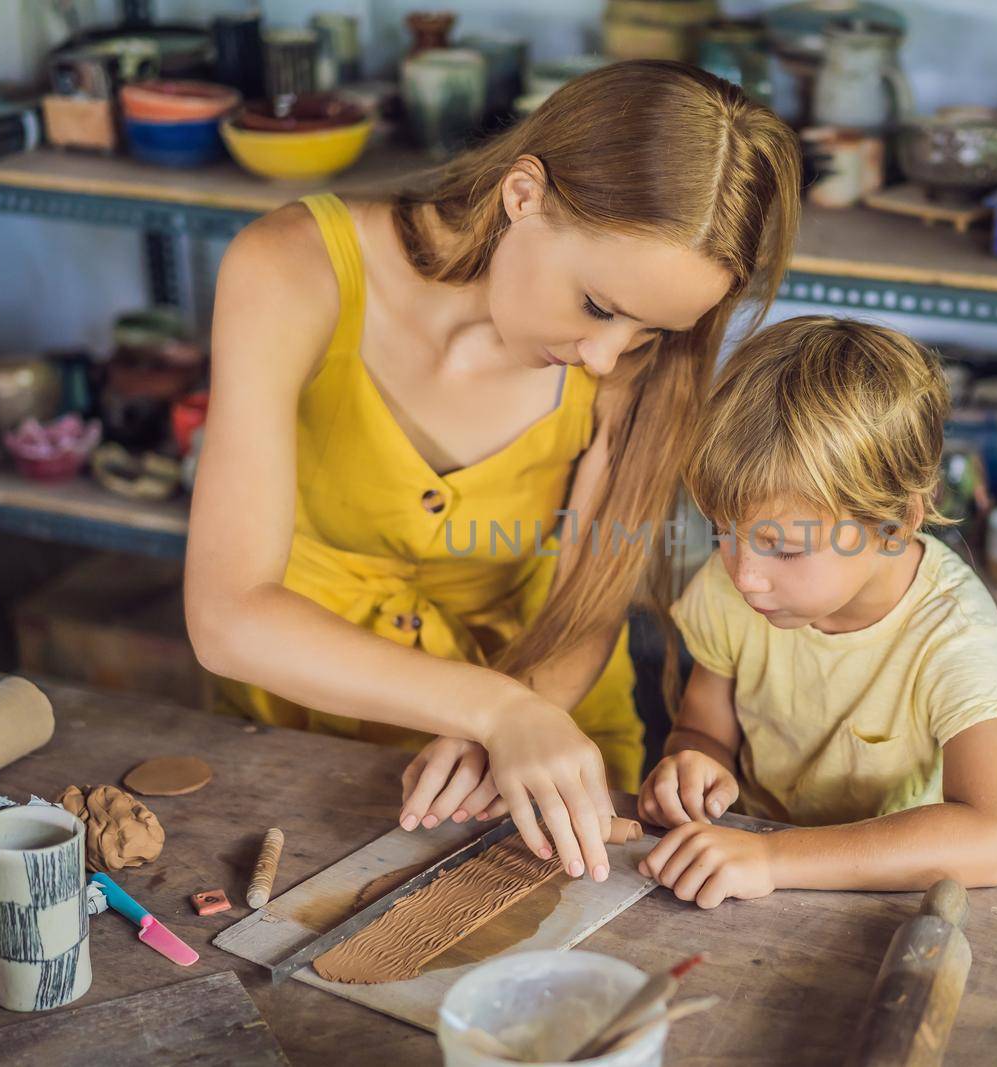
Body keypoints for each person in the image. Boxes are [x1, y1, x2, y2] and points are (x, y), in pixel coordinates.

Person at [184, 61, 801, 884]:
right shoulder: (293, 268)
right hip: (307, 720)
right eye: (598, 305)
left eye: (650, 331)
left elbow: (587, 605)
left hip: (542, 725)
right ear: (524, 195)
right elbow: (229, 614)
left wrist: (522, 716)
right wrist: (492, 708)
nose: (604, 354)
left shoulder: (630, 361)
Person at [637, 316, 997, 907]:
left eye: (787, 548)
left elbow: (996, 836)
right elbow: (702, 729)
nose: (744, 574)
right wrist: (692, 766)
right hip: (751, 878)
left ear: (896, 525)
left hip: (890, 898)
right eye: (724, 531)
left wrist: (773, 858)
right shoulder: (735, 587)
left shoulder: (952, 635)